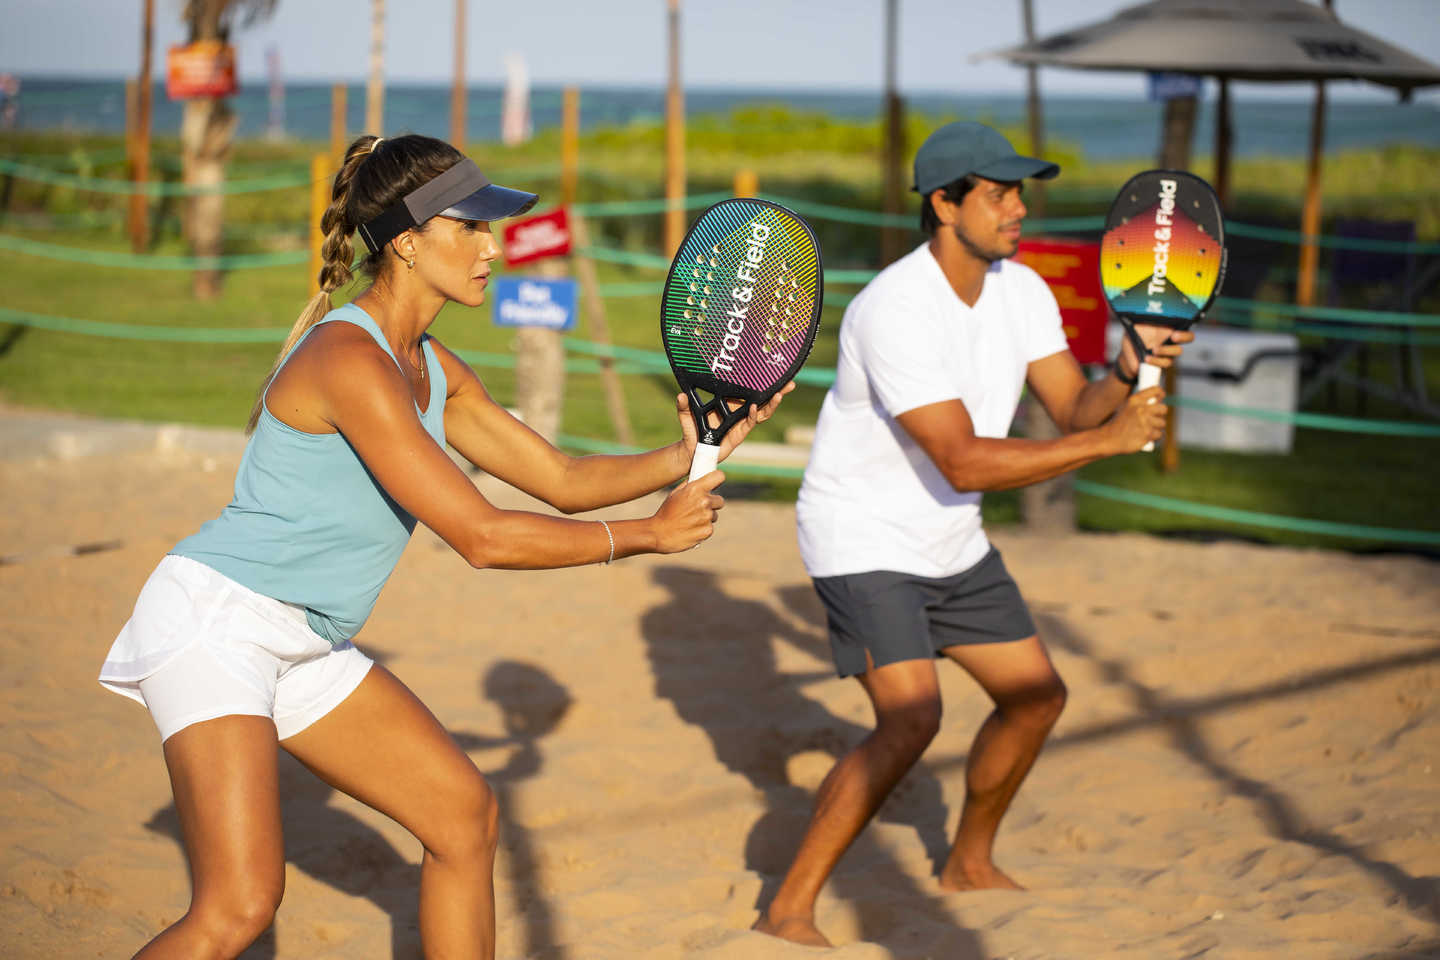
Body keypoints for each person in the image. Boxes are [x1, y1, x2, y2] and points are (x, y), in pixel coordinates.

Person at [98, 132, 791, 960]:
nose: (492, 249)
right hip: (220, 622)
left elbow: (561, 476)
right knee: (241, 906)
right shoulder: (349, 359)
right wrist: (645, 535)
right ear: (407, 241)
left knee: (463, 816)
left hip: (306, 638)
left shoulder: (431, 364)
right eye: (470, 227)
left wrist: (687, 454)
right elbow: (483, 536)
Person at [754, 121, 1191, 947]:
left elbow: (1072, 406)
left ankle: (968, 862)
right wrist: (1105, 442)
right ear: (944, 204)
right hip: (863, 534)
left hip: (951, 537)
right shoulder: (895, 308)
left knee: (1036, 698)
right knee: (913, 718)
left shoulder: (1022, 291)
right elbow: (960, 459)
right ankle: (788, 907)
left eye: (1020, 191)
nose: (1019, 208)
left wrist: (1131, 368)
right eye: (999, 193)